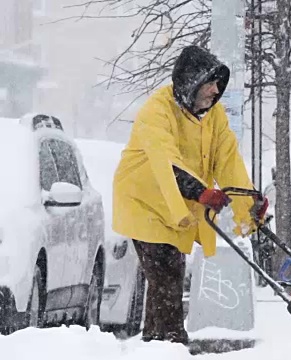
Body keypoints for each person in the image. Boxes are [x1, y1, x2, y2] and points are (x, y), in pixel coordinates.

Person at [112, 45, 268, 344]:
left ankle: (155, 343)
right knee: (167, 276)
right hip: (144, 203)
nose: (215, 90)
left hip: (175, 204)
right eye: (209, 83)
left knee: (165, 282)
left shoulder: (213, 116)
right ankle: (171, 342)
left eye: (217, 83)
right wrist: (201, 192)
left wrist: (249, 204)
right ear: (190, 83)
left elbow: (228, 160)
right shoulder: (156, 111)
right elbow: (165, 162)